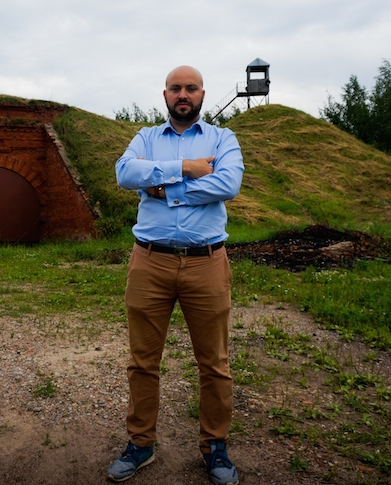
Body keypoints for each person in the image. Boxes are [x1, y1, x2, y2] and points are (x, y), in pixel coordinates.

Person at [108, 66, 245, 484]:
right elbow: (124, 173)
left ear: (202, 94)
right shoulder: (145, 137)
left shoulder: (223, 138)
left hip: (207, 262)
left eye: (190, 88)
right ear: (164, 94)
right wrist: (187, 166)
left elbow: (228, 183)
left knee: (215, 363)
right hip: (150, 262)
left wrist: (163, 187)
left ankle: (215, 447)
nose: (182, 94)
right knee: (143, 362)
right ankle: (141, 444)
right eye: (175, 88)